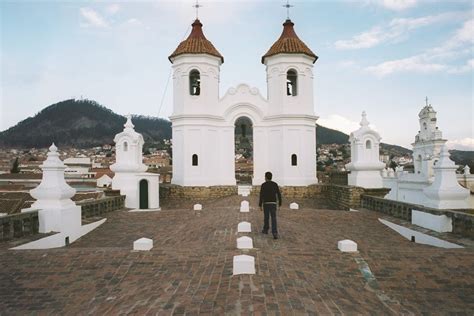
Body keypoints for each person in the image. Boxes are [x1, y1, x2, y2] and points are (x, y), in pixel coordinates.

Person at [259, 171, 282, 239]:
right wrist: (280, 203)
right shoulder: (275, 184)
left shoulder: (263, 185)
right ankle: (274, 232)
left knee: (266, 217)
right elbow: (278, 194)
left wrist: (260, 205)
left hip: (266, 203)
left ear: (266, 177)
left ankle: (266, 230)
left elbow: (261, 195)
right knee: (273, 218)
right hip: (273, 203)